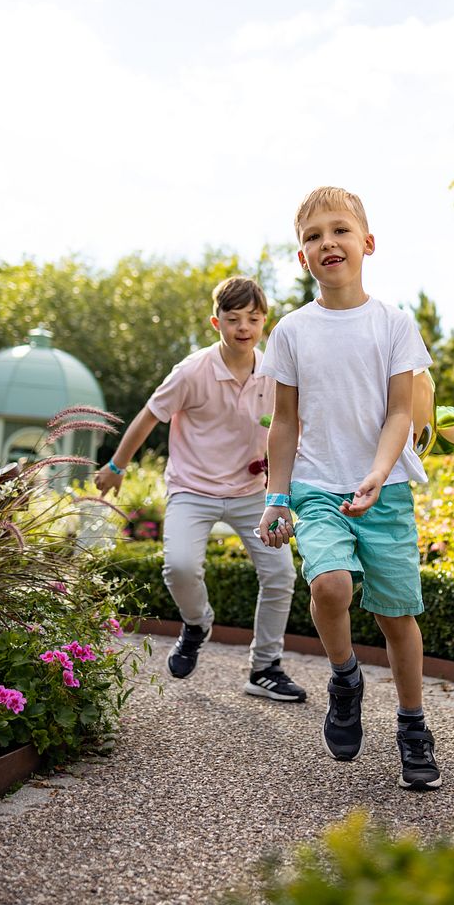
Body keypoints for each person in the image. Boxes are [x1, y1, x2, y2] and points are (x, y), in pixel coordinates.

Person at [257, 187, 441, 790]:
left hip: (382, 491)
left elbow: (399, 414)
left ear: (367, 242)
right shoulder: (290, 331)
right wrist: (277, 497)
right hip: (315, 486)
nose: (326, 242)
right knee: (330, 585)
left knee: (396, 618)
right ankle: (344, 676)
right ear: (302, 257)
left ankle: (412, 726)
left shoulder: (393, 324)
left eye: (339, 230)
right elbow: (284, 422)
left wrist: (379, 472)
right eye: (313, 236)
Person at [94, 276, 307, 703]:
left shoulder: (273, 374)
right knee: (179, 567)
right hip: (192, 489)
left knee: (281, 574)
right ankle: (196, 623)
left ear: (265, 321)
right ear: (216, 322)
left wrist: (284, 483)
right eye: (233, 319)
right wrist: (117, 465)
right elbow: (148, 416)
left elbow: (291, 428)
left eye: (252, 318)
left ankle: (265, 667)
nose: (243, 327)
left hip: (251, 493)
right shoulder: (192, 371)